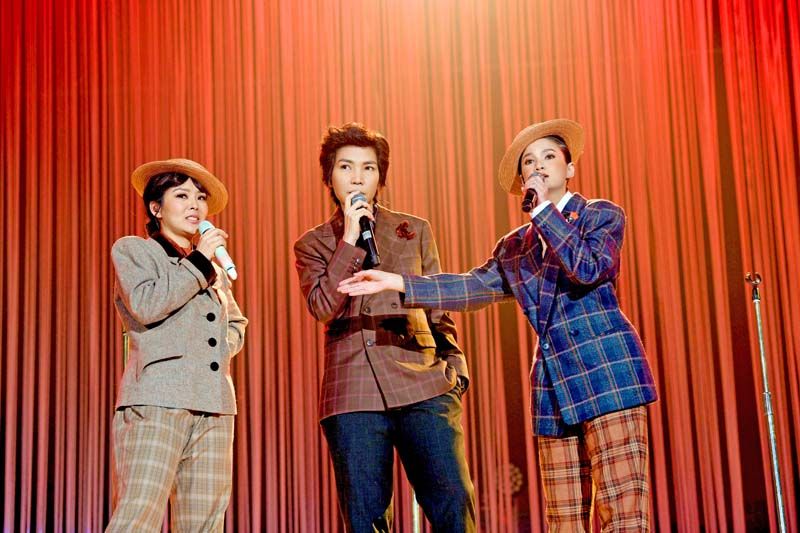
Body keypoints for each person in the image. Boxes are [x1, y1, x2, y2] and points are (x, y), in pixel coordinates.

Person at [339, 119, 658, 531]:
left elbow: (586, 267)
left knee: (623, 513)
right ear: (521, 179)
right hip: (552, 386)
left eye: (548, 157)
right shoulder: (515, 246)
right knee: (563, 520)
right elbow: (471, 287)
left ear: (569, 168)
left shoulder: (599, 215)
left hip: (608, 374)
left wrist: (543, 212)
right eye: (529, 162)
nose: (538, 167)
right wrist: (397, 282)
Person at [293, 123, 476, 532]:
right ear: (329, 176)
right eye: (346, 167)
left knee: (453, 504)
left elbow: (437, 307)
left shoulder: (414, 229)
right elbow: (323, 307)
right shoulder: (313, 243)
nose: (357, 177)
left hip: (425, 380)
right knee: (365, 519)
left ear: (380, 177)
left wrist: (455, 372)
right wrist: (349, 241)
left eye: (369, 168)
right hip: (353, 392)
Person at [107, 158, 248, 532]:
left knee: (205, 524)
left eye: (200, 198)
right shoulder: (136, 250)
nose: (195, 205)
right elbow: (146, 304)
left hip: (215, 405)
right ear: (156, 208)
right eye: (182, 195)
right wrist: (200, 261)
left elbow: (235, 322)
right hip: (157, 399)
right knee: (138, 515)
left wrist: (221, 348)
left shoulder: (213, 271)